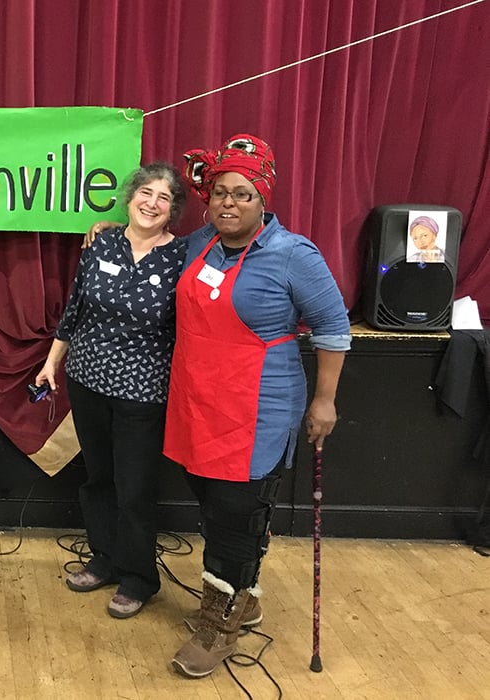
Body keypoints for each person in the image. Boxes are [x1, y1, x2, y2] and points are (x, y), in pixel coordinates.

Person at [165, 134, 351, 677]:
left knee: (235, 515)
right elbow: (153, 252)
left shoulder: (294, 255)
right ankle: (242, 593)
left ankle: (218, 622)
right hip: (198, 398)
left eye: (241, 194)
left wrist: (324, 401)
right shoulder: (200, 241)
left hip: (257, 407)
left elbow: (334, 328)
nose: (228, 203)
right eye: (220, 192)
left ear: (262, 199)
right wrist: (113, 234)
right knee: (210, 502)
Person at [35, 162, 188, 619]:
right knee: (98, 478)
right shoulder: (101, 242)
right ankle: (104, 558)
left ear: (172, 211)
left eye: (163, 198)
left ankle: (139, 577)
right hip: (87, 382)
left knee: (135, 487)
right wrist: (50, 364)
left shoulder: (183, 256)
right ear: (130, 196)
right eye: (146, 192)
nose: (152, 203)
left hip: (143, 392)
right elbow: (75, 311)